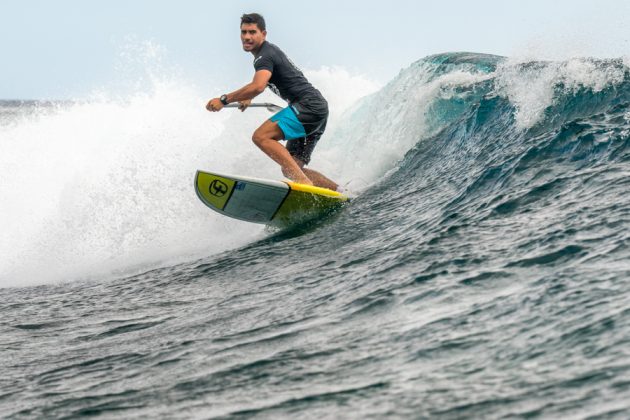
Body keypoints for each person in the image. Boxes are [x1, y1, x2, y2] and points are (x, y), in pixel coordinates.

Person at [206, 13, 338, 190]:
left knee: (261, 137)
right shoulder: (267, 54)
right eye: (243, 32)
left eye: (252, 32)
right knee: (291, 168)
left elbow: (258, 85)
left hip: (308, 105)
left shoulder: (264, 55)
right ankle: (338, 191)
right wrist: (248, 96)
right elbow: (266, 81)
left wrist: (224, 100)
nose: (247, 37)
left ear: (264, 34)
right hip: (317, 108)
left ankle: (304, 184)